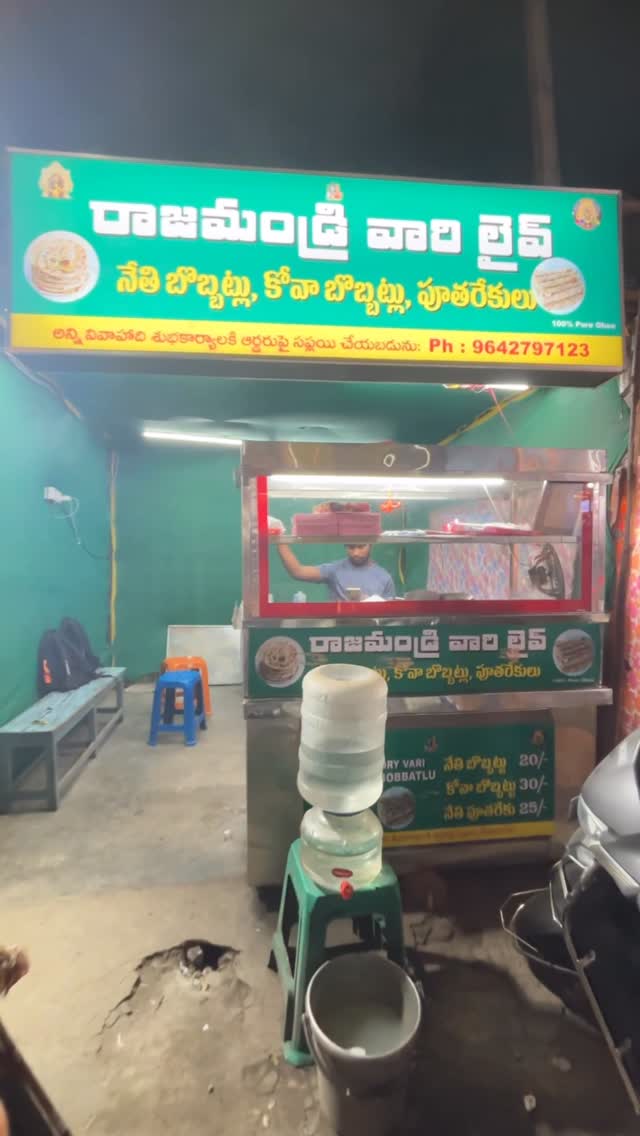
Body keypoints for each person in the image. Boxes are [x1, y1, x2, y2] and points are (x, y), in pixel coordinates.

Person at [278, 543, 395, 601]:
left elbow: (390, 616)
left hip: (372, 635)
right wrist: (280, 541)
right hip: (338, 633)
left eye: (361, 547)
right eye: (351, 547)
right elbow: (298, 572)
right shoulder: (334, 570)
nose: (356, 553)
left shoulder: (384, 577)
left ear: (371, 545)